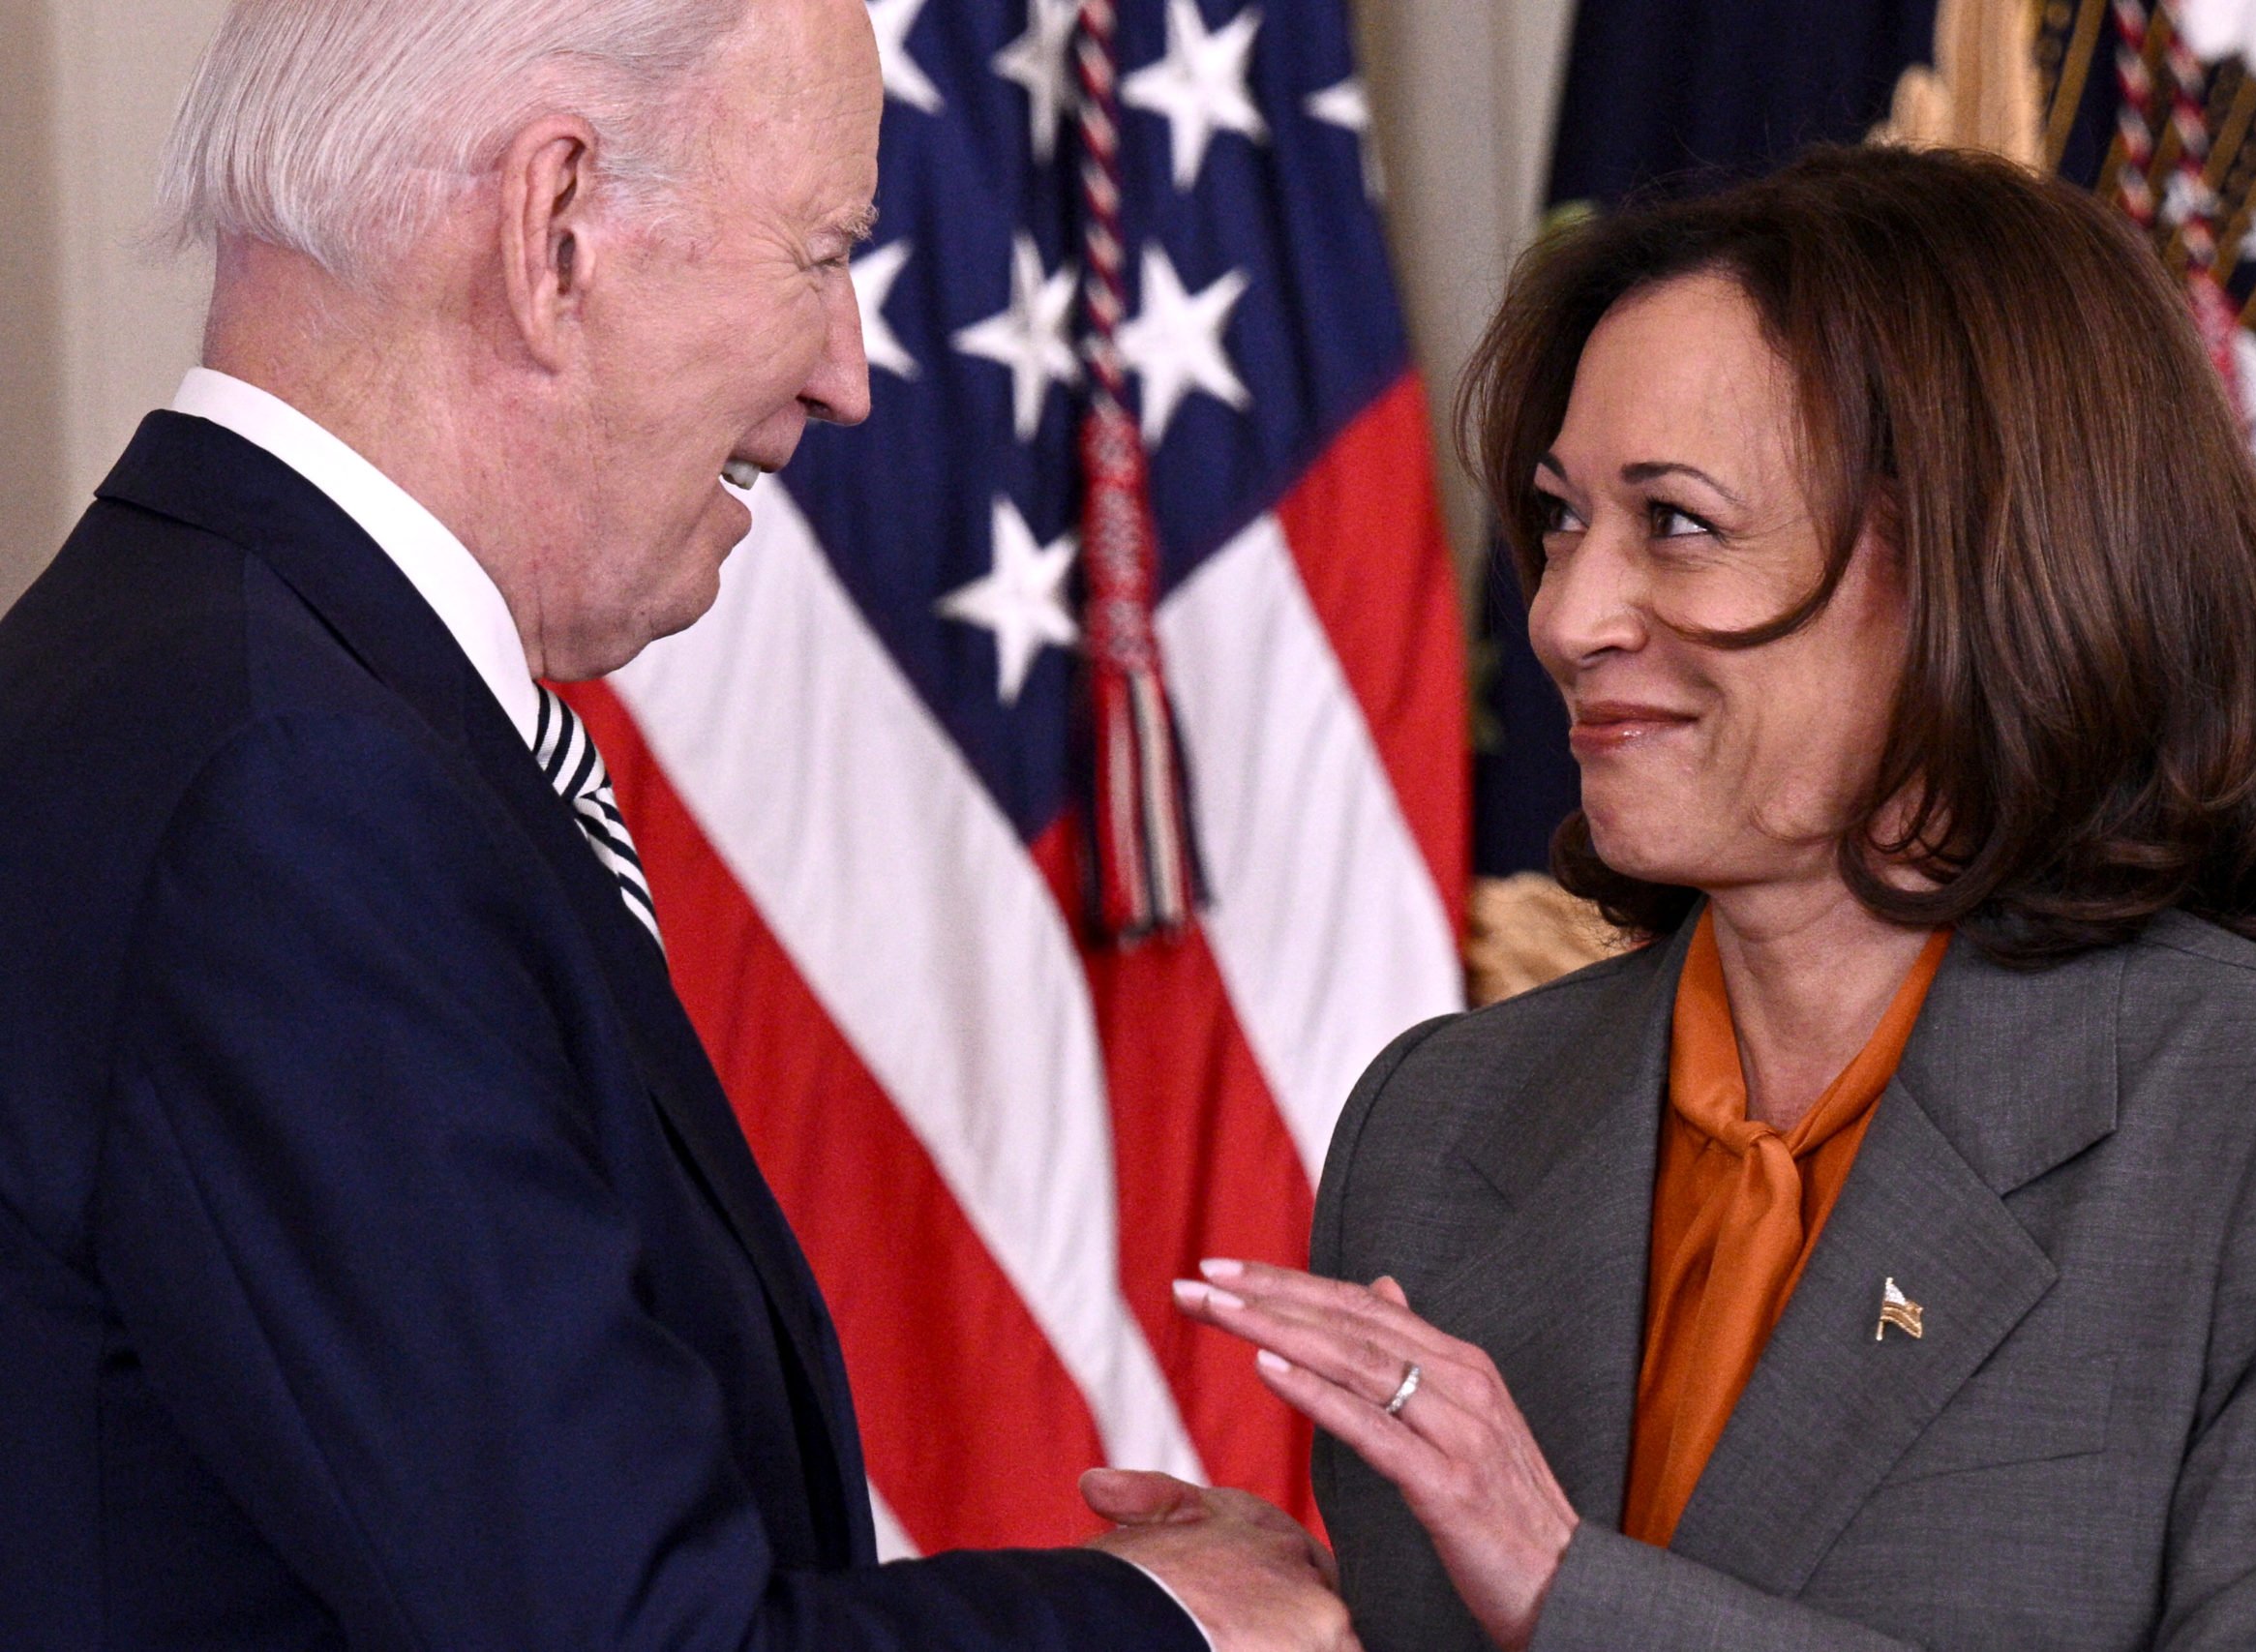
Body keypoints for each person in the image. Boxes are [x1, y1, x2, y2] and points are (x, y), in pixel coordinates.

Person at [0, 1, 1353, 1647]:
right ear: (555, 226)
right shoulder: (295, 791)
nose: (850, 373)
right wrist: (1169, 1623)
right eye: (821, 249)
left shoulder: (184, 683)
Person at [1174, 145, 2256, 1650]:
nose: (1567, 616)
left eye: (1674, 522)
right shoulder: (1440, 1118)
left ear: (1984, 558)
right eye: (1562, 520)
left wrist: (1563, 1589)